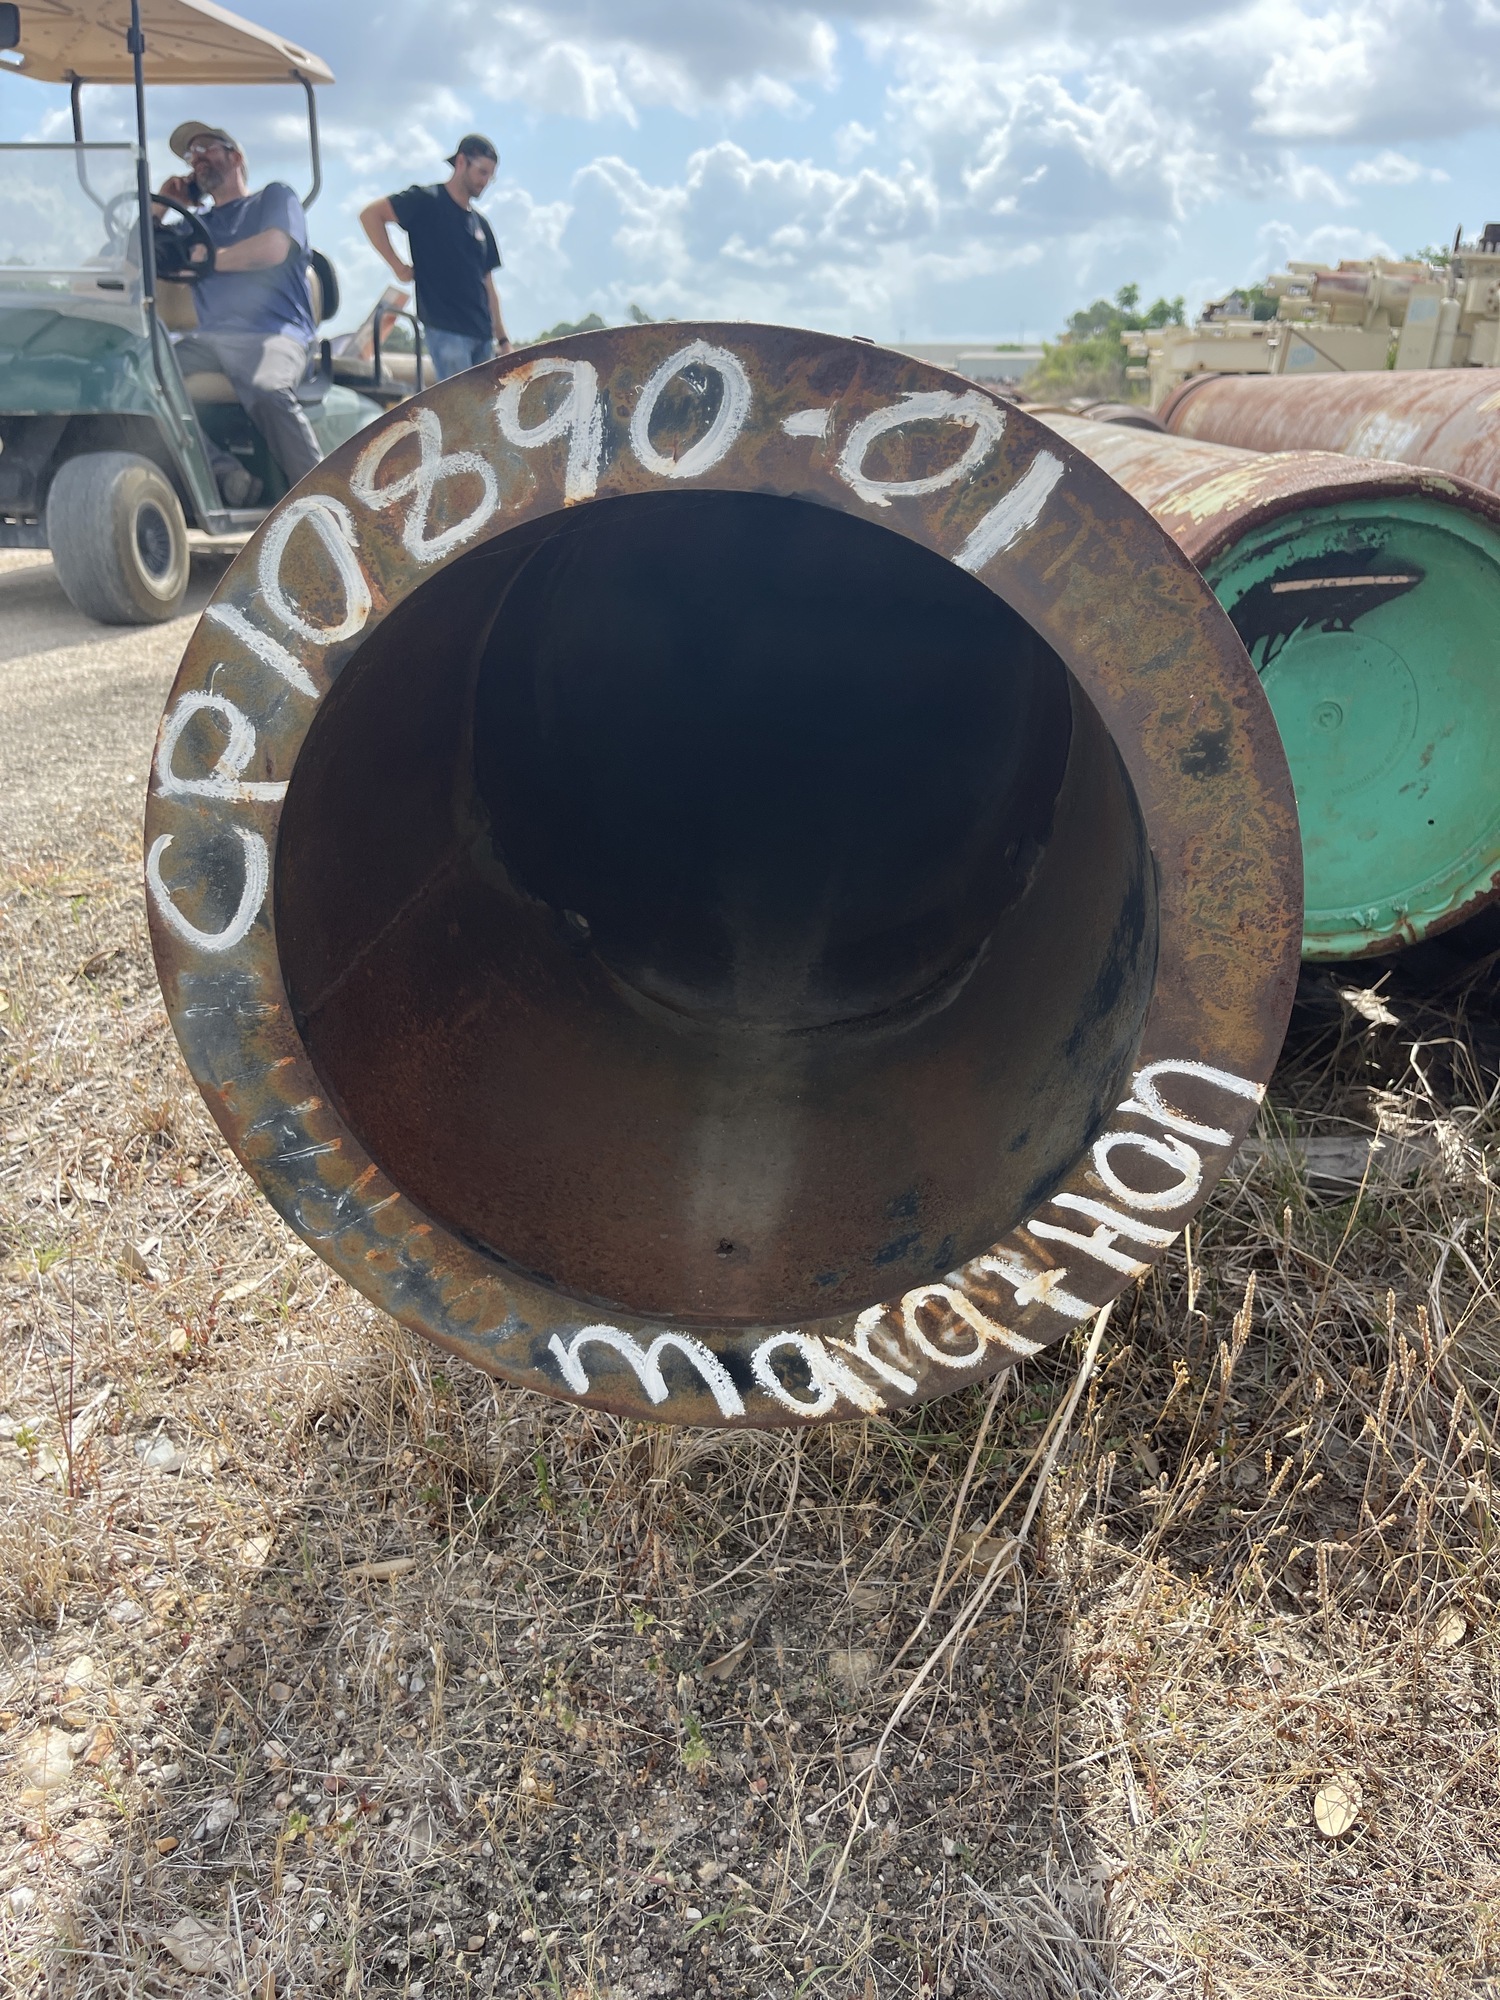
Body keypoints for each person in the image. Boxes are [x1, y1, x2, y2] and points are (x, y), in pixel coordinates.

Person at [154, 122, 322, 506]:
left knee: (268, 390)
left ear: (236, 156)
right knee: (139, 378)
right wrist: (159, 207)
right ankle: (223, 474)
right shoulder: (196, 226)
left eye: (207, 148)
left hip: (275, 333)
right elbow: (137, 259)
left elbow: (273, 248)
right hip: (210, 340)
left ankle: (324, 502)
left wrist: (207, 259)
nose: (197, 158)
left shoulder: (273, 198)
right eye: (191, 154)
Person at [360, 135, 511, 381]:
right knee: (460, 402)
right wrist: (398, 266)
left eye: (490, 177)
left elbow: (489, 285)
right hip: (446, 329)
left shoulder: (480, 224)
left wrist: (502, 339)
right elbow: (370, 215)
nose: (485, 182)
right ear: (461, 162)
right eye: (482, 172)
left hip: (483, 335)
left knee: (486, 405)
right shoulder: (426, 201)